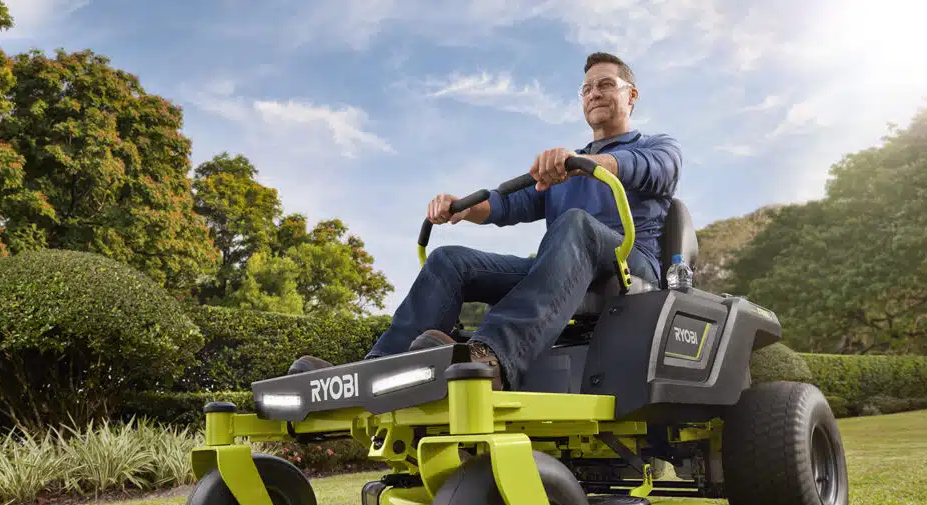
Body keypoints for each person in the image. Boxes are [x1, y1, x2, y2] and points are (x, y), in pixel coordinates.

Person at [290, 52, 682, 391]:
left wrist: (586, 165)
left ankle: (492, 355)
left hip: (628, 265)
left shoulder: (656, 147)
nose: (594, 93)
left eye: (606, 84)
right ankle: (377, 369)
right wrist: (462, 209)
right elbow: (508, 205)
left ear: (631, 95)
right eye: (587, 88)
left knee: (574, 223)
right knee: (449, 260)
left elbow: (647, 169)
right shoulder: (562, 169)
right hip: (562, 267)